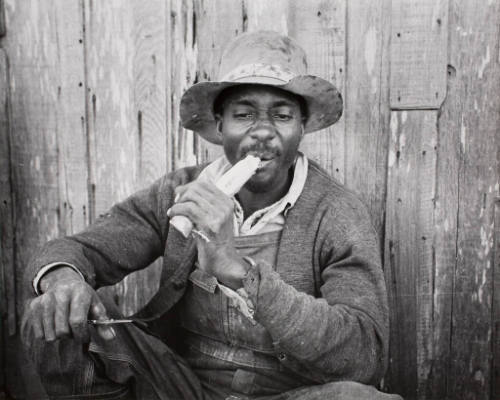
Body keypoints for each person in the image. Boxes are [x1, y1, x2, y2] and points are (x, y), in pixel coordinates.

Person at [21, 31, 402, 400]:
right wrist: (62, 281)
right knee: (58, 319)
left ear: (302, 128)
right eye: (244, 114)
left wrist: (240, 273)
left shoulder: (335, 211)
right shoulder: (181, 193)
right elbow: (79, 249)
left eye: (282, 116)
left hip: (293, 391)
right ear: (220, 127)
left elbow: (364, 353)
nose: (264, 133)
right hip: (181, 386)